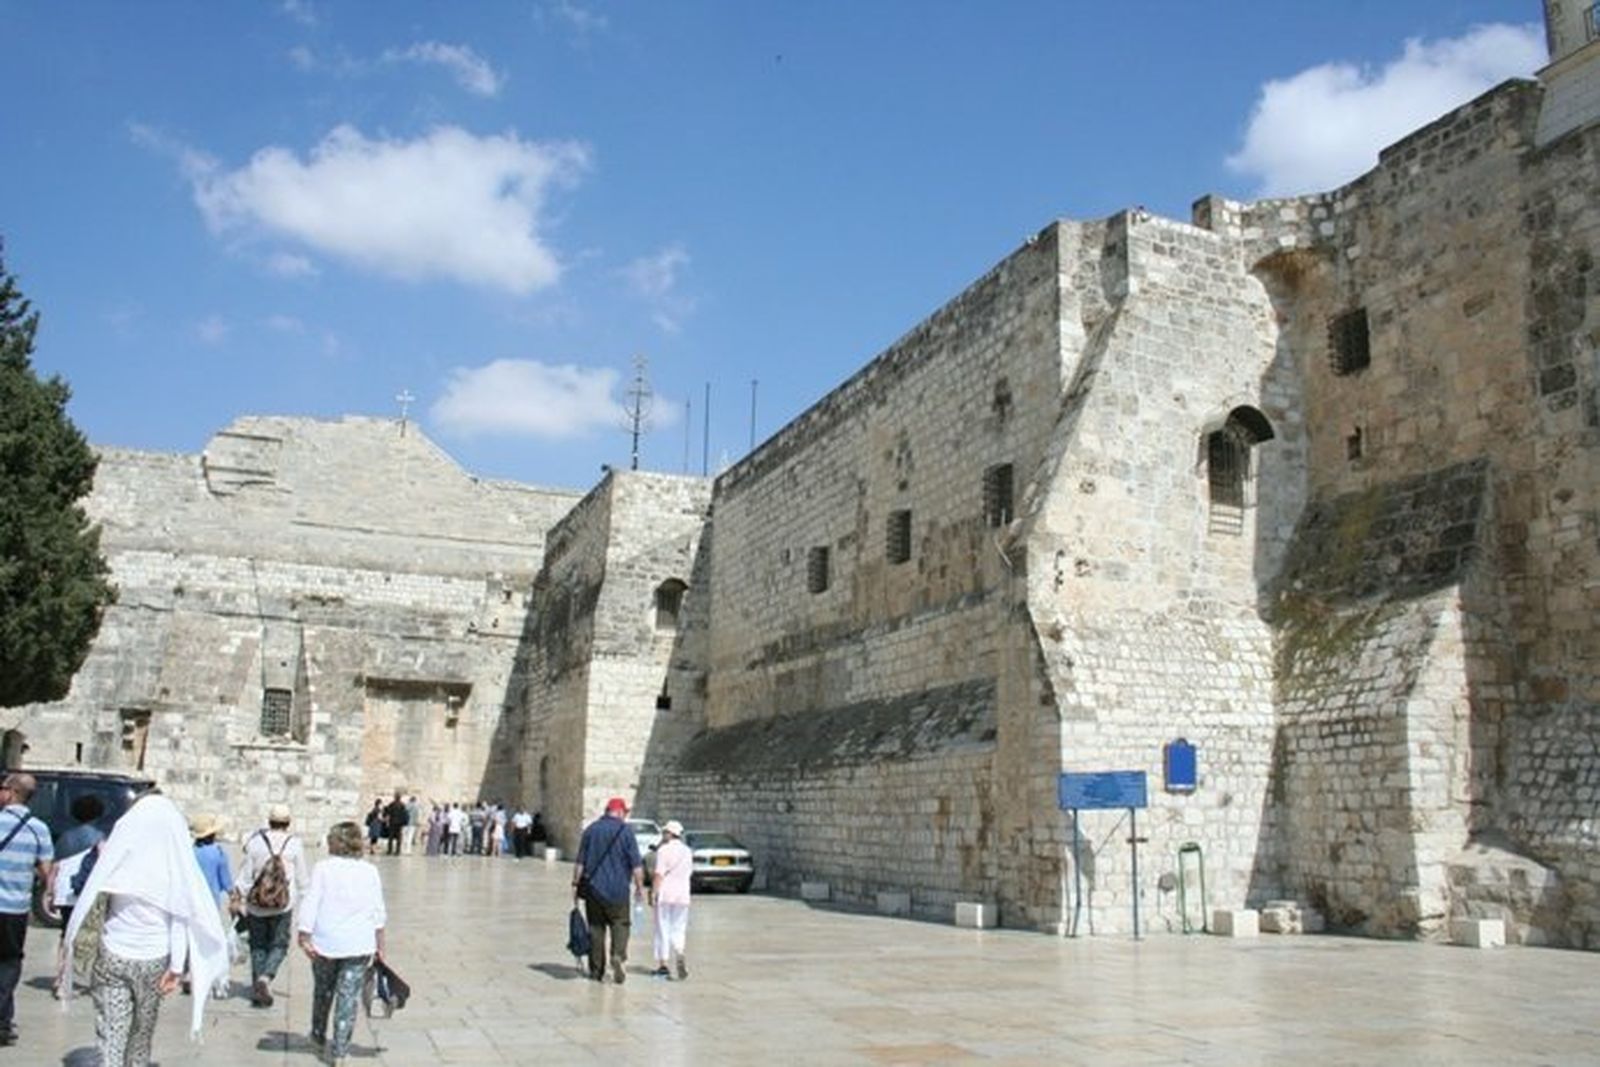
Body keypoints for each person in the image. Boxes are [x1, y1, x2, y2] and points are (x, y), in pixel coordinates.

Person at [65, 793, 229, 1063]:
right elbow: (179, 919)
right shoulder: (172, 868)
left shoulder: (120, 858)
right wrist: (176, 967)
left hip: (113, 953)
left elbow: (95, 897)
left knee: (111, 1031)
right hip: (154, 959)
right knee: (142, 1030)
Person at [297, 821, 387, 1067]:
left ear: (336, 843)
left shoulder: (323, 868)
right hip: (359, 943)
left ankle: (318, 1036)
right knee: (348, 997)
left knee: (323, 991)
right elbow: (378, 911)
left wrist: (304, 934)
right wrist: (380, 944)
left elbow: (311, 901)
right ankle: (340, 1050)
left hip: (325, 942)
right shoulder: (370, 871)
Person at [234, 803, 310, 1008]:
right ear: (288, 823)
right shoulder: (294, 844)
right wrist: (306, 905)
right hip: (283, 904)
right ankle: (265, 978)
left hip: (257, 905)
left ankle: (258, 987)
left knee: (257, 944)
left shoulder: (256, 842)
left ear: (269, 821)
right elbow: (302, 878)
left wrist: (238, 897)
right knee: (279, 944)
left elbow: (245, 876)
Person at [0, 774, 52, 1047]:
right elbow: (46, 873)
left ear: (11, 792)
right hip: (15, 910)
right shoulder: (38, 829)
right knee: (9, 963)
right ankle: (2, 1022)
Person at [570, 797, 644, 984]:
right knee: (621, 924)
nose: (625, 816)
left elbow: (580, 863)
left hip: (594, 890)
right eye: (624, 813)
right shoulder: (626, 831)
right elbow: (636, 865)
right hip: (618, 890)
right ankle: (618, 955)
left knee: (596, 929)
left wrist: (575, 885)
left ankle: (597, 971)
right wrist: (639, 887)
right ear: (619, 812)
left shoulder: (590, 830)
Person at [49, 793, 106, 999]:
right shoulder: (99, 837)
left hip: (64, 892)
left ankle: (60, 978)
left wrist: (49, 891)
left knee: (66, 935)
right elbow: (103, 865)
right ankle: (89, 981)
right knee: (92, 937)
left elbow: (55, 867)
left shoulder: (65, 837)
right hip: (84, 892)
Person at [188, 813, 233, 999]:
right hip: (211, 903)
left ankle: (189, 973)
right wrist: (234, 896)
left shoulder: (189, 852)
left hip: (191, 902)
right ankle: (211, 976)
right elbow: (226, 881)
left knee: (193, 938)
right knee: (212, 940)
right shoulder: (217, 853)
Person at [649, 820, 693, 980]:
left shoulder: (664, 851)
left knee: (662, 928)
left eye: (664, 832)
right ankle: (679, 952)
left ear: (669, 834)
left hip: (666, 893)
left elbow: (659, 874)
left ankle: (663, 965)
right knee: (679, 928)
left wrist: (653, 892)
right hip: (683, 895)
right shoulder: (688, 851)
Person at [383, 791, 407, 857]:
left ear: (395, 797)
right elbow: (404, 814)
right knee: (399, 838)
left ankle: (389, 850)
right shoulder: (402, 805)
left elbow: (387, 812)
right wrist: (403, 823)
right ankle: (397, 851)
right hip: (399, 824)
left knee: (390, 837)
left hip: (392, 823)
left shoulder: (392, 804)